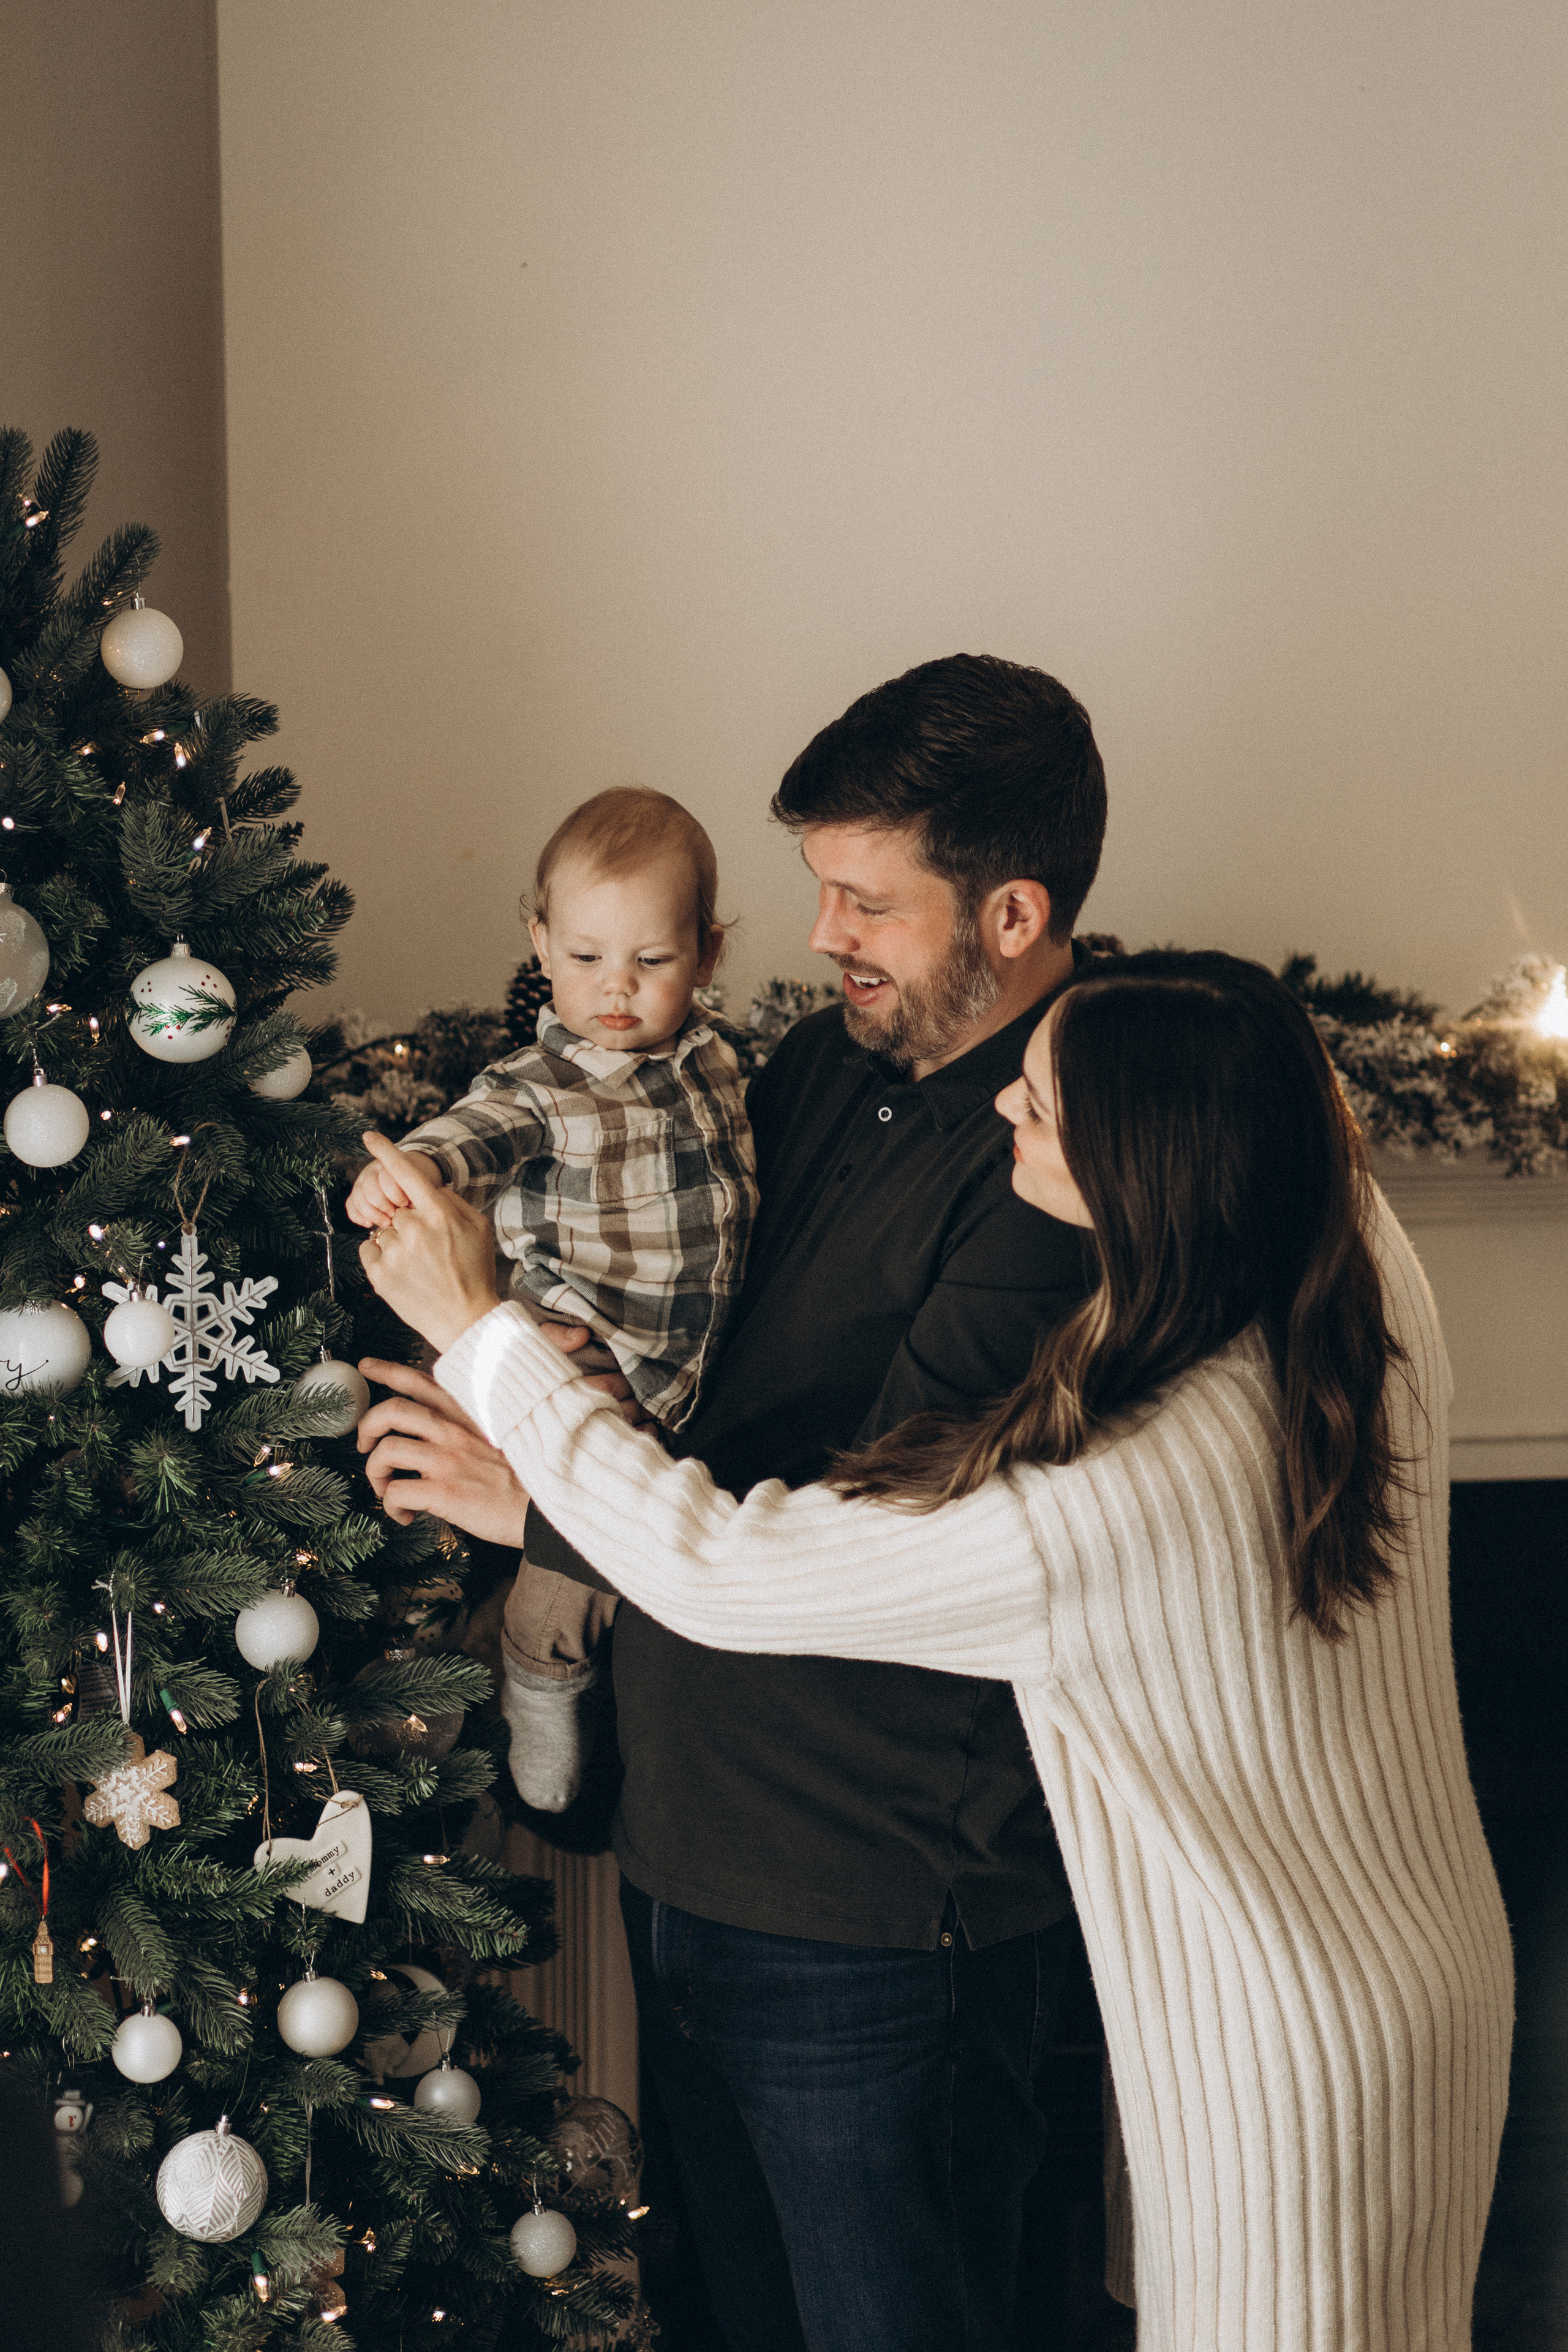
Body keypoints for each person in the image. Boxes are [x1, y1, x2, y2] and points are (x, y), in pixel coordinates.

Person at [358, 950, 1513, 2352]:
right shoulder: (1340, 1282)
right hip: (1416, 1981)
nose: (1002, 1108)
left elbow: (724, 1573)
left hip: (1274, 2056)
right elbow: (1290, 1108)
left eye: (1038, 1102)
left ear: (1145, 1168)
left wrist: (478, 1327)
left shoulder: (1119, 1502)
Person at [355, 654, 1110, 2352]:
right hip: (691, 1855)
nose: (823, 934)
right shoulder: (832, 1068)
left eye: (865, 898)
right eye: (814, 889)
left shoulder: (1067, 1163)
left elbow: (872, 1535)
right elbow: (695, 1359)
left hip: (877, 1912)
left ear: (1009, 913)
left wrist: (536, 1488)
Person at [345, 785, 756, 1809]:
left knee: (656, 1560)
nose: (615, 990)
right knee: (564, 1572)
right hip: (576, 1372)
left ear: (707, 957)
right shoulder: (546, 1085)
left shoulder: (718, 1060)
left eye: (651, 962)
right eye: (584, 959)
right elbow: (473, 1132)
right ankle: (535, 1682)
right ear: (541, 941)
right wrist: (410, 1175)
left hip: (684, 1381)